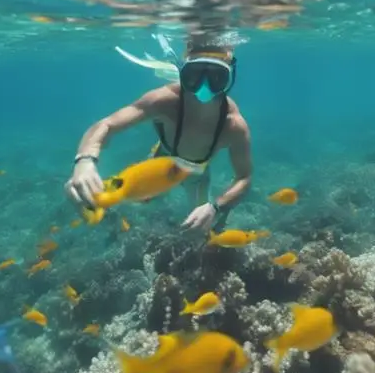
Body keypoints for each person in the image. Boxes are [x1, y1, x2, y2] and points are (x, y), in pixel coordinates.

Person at [64, 41, 252, 233]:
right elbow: (106, 125)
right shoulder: (163, 101)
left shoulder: (234, 125)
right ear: (182, 74)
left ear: (229, 79)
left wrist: (215, 207)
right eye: (194, 76)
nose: (204, 88)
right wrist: (84, 161)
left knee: (204, 230)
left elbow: (244, 177)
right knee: (138, 201)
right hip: (161, 159)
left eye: (217, 77)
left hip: (197, 173)